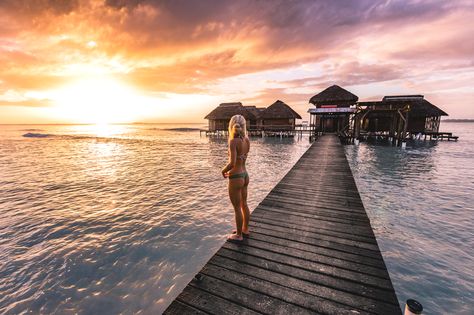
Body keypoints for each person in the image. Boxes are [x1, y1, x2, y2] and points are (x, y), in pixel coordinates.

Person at [221, 115, 250, 243]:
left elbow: (232, 163)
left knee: (237, 207)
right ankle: (245, 229)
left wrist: (223, 170)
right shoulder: (247, 141)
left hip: (236, 177)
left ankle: (239, 235)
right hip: (245, 175)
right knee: (244, 204)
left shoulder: (233, 142)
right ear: (244, 126)